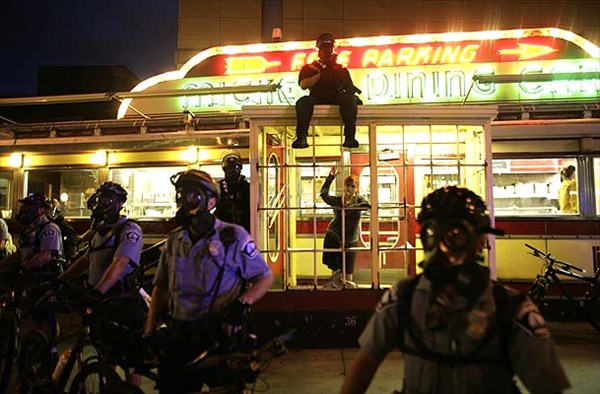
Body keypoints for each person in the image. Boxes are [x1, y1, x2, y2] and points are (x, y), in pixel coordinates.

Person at [340, 185, 571, 394]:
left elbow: (547, 385)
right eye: (432, 233)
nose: (443, 246)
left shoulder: (512, 308)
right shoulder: (403, 298)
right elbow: (365, 364)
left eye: (456, 233)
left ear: (480, 239)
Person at [144, 169, 273, 393]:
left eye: (192, 196)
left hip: (217, 338)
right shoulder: (175, 240)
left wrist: (242, 305)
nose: (184, 202)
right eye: (181, 195)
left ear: (211, 201)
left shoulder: (234, 237)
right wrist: (149, 331)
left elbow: (264, 277)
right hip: (179, 334)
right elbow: (160, 288)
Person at [59, 181, 143, 385]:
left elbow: (120, 263)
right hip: (100, 302)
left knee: (131, 359)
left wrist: (97, 292)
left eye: (108, 199)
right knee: (106, 353)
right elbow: (87, 260)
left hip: (121, 301)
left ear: (120, 203)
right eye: (100, 199)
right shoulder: (99, 232)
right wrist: (62, 279)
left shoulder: (130, 229)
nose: (102, 204)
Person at [292, 33, 362, 149]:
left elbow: (350, 88)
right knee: (303, 102)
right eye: (324, 48)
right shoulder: (310, 67)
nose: (327, 51)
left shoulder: (340, 69)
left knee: (350, 100)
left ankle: (350, 137)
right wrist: (320, 75)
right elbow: (303, 84)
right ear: (319, 50)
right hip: (318, 97)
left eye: (329, 48)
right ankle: (301, 137)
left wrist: (336, 75)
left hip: (337, 96)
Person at [320, 166, 370, 289]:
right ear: (344, 187)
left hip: (350, 241)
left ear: (357, 189)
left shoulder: (359, 200)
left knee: (348, 273)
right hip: (334, 237)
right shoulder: (338, 200)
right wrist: (330, 178)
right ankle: (334, 298)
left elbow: (368, 206)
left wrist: (348, 207)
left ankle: (348, 298)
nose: (349, 189)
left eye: (353, 186)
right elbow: (324, 194)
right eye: (347, 185)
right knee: (335, 271)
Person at [0, 193, 64, 274]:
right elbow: (20, 254)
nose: (26, 209)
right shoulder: (30, 230)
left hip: (44, 278)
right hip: (29, 276)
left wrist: (24, 269)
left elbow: (45, 255)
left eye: (30, 206)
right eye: (26, 206)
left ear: (41, 208)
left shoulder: (50, 228)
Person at [214, 149, 251, 232]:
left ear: (240, 168)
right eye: (229, 168)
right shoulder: (219, 187)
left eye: (236, 167)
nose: (233, 172)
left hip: (244, 230)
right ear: (224, 170)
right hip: (223, 230)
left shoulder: (247, 187)